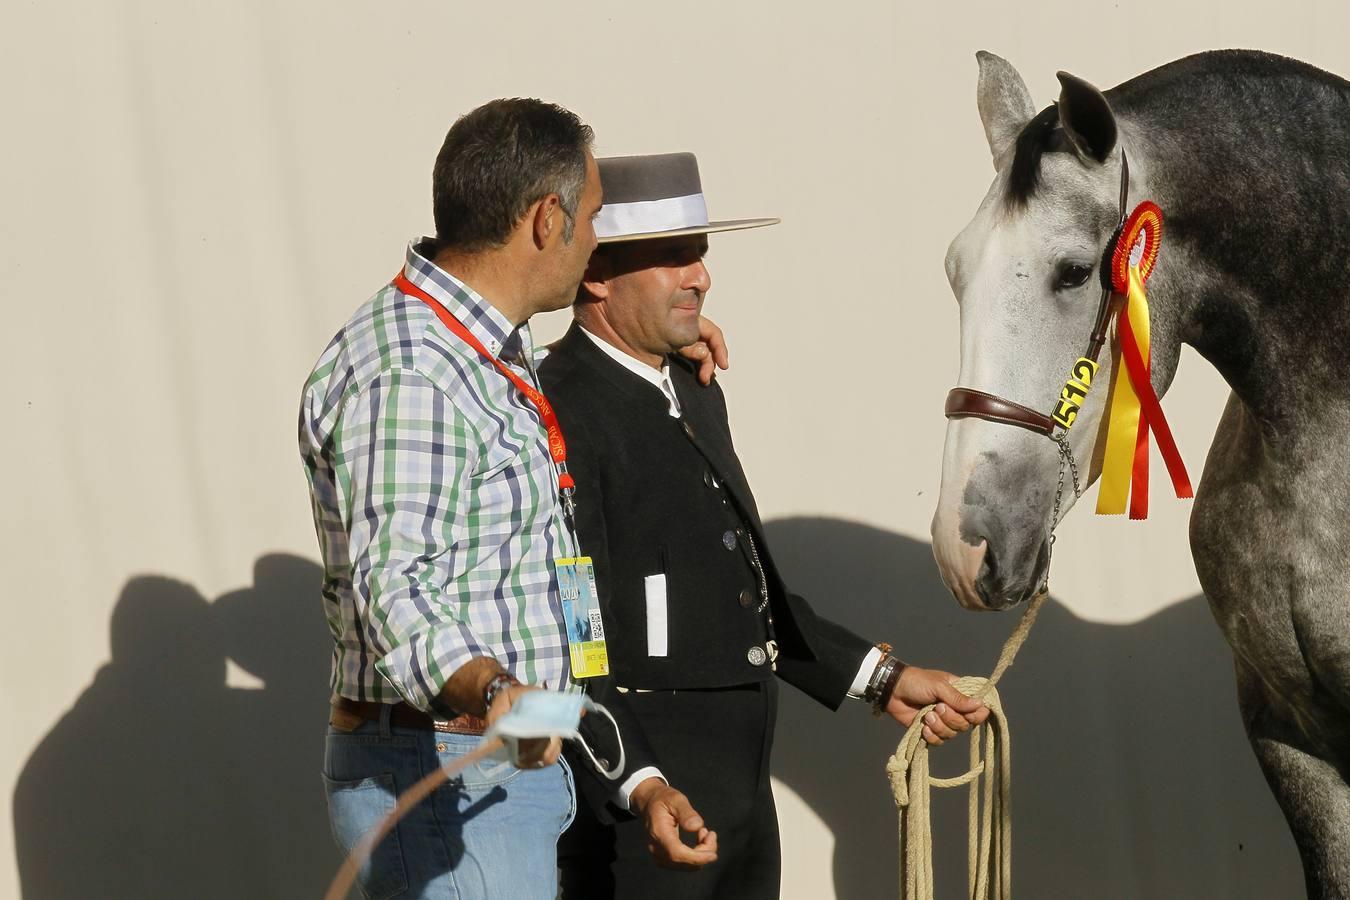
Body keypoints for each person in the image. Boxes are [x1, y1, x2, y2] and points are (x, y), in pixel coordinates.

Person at [299, 106, 725, 899]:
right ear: (546, 219)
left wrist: (663, 348)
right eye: (595, 218)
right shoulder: (413, 370)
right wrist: (496, 692)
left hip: (489, 777)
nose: (599, 242)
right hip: (442, 774)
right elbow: (395, 584)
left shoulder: (482, 346)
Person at [541, 152, 990, 899]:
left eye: (702, 254)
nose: (701, 276)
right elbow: (575, 642)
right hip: (642, 828)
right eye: (674, 257)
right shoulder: (556, 409)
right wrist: (641, 786)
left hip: (743, 816)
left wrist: (883, 680)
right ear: (596, 275)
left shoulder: (693, 385)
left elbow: (741, 594)